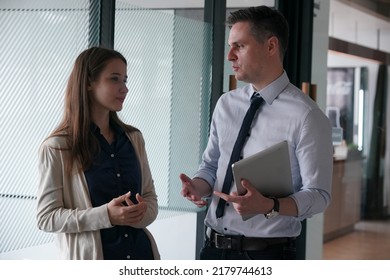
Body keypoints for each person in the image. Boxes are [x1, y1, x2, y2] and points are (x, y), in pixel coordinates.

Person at [180, 6, 333, 260]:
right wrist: (197, 186)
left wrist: (270, 206)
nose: (229, 55)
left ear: (271, 46)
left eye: (239, 46)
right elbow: (211, 166)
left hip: (267, 254)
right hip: (211, 249)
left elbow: (319, 195)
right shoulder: (226, 104)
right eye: (230, 46)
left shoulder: (307, 116)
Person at [37, 47, 160, 260]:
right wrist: (106, 216)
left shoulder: (134, 138)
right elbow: (46, 218)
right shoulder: (57, 147)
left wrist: (140, 214)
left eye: (125, 80)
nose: (125, 89)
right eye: (115, 79)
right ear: (88, 83)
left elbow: (150, 198)